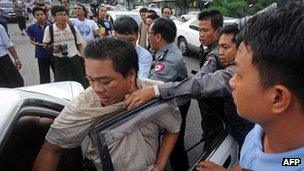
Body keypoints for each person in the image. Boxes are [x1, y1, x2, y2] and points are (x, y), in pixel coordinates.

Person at [33, 38, 181, 171]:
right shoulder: (84, 105)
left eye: (105, 81)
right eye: (90, 80)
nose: (96, 89)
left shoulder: (155, 93)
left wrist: (160, 165)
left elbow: (173, 128)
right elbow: (51, 149)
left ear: (131, 75)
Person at [196, 3, 304, 171]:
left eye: (238, 75)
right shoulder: (262, 130)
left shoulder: (292, 163)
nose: (231, 82)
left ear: (277, 98)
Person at [148, 17, 190, 170]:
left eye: (150, 33)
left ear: (158, 37)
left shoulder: (170, 58)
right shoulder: (166, 50)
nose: (148, 36)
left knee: (175, 142)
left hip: (178, 103)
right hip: (173, 99)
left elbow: (152, 85)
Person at [195, 10, 226, 143]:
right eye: (199, 30)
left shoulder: (214, 54)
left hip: (214, 113)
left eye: (205, 30)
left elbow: (199, 81)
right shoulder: (216, 48)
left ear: (218, 31)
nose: (201, 35)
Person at [43, 5, 88, 88]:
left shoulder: (73, 29)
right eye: (60, 15)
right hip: (59, 61)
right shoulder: (49, 29)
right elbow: (45, 45)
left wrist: (85, 60)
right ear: (54, 17)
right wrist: (52, 48)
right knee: (62, 85)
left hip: (75, 60)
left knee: (80, 83)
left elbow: (80, 45)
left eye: (65, 14)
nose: (63, 17)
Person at [27, 6, 54, 84]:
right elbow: (31, 40)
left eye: (41, 14)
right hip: (41, 54)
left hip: (53, 52)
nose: (40, 16)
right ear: (34, 16)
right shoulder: (31, 28)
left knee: (57, 73)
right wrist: (36, 43)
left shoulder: (52, 25)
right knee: (44, 76)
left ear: (45, 15)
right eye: (37, 15)